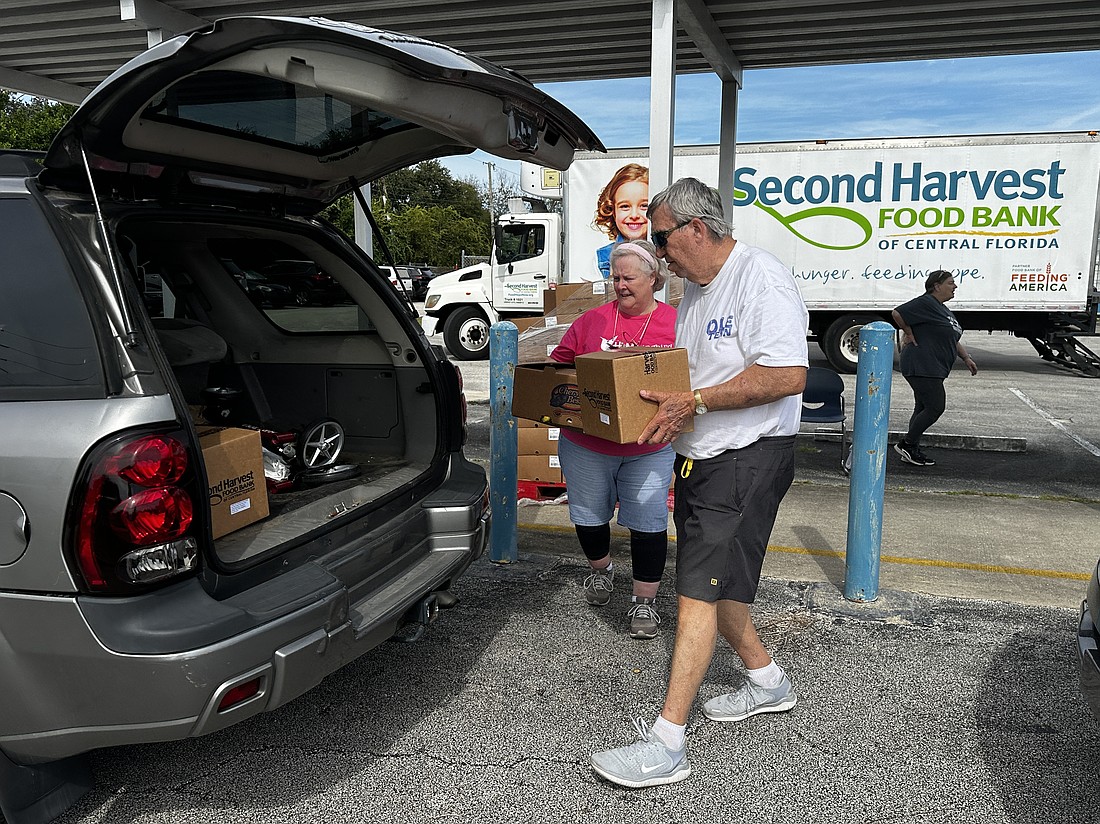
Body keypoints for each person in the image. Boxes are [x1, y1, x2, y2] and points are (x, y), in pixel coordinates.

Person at [589, 178, 809, 788]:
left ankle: (668, 742)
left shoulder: (758, 277)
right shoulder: (696, 290)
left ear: (696, 228)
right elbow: (694, 377)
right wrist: (663, 414)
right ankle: (768, 682)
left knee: (696, 593)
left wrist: (695, 403)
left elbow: (788, 374)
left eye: (661, 238)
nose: (657, 253)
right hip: (706, 455)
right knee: (720, 582)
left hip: (747, 456)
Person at [549, 240, 677, 639]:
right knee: (588, 518)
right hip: (587, 443)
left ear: (654, 279)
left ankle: (644, 602)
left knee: (649, 521)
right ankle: (602, 571)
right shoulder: (592, 322)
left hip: (649, 446)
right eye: (614, 277)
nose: (620, 285)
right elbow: (557, 367)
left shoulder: (676, 321)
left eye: (629, 277)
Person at [891, 270, 978, 467]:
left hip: (933, 366)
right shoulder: (927, 302)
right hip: (922, 364)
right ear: (936, 286)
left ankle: (911, 449)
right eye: (950, 283)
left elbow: (951, 337)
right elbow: (897, 313)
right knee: (936, 407)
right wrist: (908, 332)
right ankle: (907, 444)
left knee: (922, 407)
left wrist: (966, 357)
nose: (955, 286)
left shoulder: (941, 309)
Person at [593, 164, 649, 279]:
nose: (634, 215)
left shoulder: (670, 256)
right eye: (625, 206)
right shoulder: (602, 259)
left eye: (644, 206)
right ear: (612, 211)